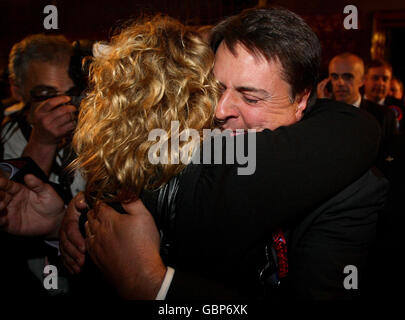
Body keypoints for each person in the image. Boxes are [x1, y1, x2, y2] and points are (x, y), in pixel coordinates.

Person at [0, 10, 385, 300]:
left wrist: (158, 288)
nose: (220, 111)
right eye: (215, 90)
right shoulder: (184, 151)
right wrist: (76, 221)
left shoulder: (349, 190)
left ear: (301, 100)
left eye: (250, 97)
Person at [318, 53, 397, 173]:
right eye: (334, 77)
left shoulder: (383, 116)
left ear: (362, 80)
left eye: (347, 77)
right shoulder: (322, 113)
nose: (340, 83)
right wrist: (323, 108)